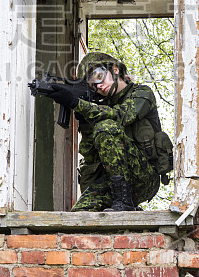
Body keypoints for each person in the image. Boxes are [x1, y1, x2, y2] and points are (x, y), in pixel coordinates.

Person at [47, 52, 161, 212]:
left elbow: (121, 115)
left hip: (144, 178)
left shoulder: (142, 93)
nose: (98, 86)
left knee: (106, 127)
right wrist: (85, 121)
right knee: (79, 216)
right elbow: (90, 156)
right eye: (93, 85)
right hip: (112, 184)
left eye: (99, 77)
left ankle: (125, 204)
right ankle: (122, 205)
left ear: (115, 70)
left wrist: (78, 104)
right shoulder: (99, 108)